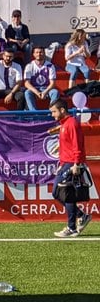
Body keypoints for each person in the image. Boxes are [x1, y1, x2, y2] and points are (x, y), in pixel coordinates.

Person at [50, 99, 92, 238]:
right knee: (57, 193)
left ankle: (71, 227)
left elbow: (77, 145)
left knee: (66, 194)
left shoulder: (71, 123)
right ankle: (81, 216)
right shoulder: (64, 124)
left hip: (71, 163)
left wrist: (76, 164)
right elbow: (67, 143)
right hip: (65, 163)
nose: (52, 115)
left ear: (62, 110)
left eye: (54, 112)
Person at [23, 46, 59, 111]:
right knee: (27, 92)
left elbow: (52, 83)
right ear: (33, 54)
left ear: (44, 53)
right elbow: (26, 83)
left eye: (41, 52)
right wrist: (37, 92)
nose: (39, 54)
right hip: (34, 89)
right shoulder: (29, 66)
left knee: (55, 92)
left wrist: (45, 92)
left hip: (47, 89)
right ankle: (34, 113)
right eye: (36, 52)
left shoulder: (50, 66)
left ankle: (52, 112)